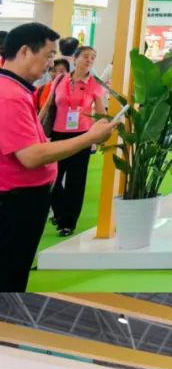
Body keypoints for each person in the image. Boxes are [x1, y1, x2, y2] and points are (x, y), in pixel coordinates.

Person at [0, 22, 113, 291]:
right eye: (48, 55)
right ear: (25, 52)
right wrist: (89, 138)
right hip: (15, 204)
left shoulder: (19, 90)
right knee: (10, 275)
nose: (52, 63)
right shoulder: (10, 95)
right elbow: (30, 156)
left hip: (23, 200)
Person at [39, 42, 109, 237]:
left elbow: (100, 113)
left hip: (82, 136)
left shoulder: (94, 84)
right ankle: (61, 212)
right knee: (51, 177)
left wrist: (103, 131)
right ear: (75, 59)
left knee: (75, 182)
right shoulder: (60, 79)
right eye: (85, 56)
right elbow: (48, 105)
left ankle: (68, 223)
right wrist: (36, 125)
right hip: (58, 135)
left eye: (93, 58)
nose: (89, 60)